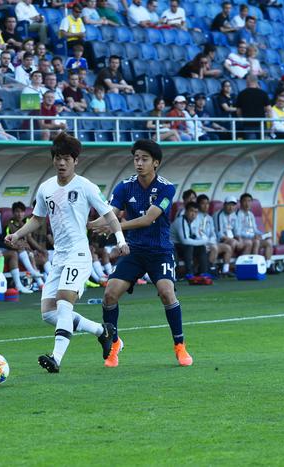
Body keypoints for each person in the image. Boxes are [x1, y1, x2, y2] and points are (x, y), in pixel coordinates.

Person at [5, 132, 129, 373]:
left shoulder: (85, 186)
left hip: (79, 254)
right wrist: (18, 234)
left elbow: (109, 215)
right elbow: (37, 219)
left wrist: (120, 240)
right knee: (49, 314)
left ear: (75, 161)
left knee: (63, 302)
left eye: (67, 159)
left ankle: (56, 358)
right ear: (53, 160)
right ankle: (103, 331)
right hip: (59, 256)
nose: (62, 163)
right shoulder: (46, 188)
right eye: (58, 158)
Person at [89, 139, 194, 368]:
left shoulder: (167, 188)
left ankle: (180, 345)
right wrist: (88, 224)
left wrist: (115, 227)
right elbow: (110, 214)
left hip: (160, 251)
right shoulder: (124, 186)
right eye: (136, 158)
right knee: (109, 294)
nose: (139, 163)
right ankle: (114, 343)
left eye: (144, 159)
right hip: (133, 251)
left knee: (166, 292)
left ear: (155, 163)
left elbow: (148, 219)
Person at [197, 194, 232, 277]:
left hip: (210, 243)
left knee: (227, 247)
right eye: (203, 203)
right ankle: (208, 270)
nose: (206, 206)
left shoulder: (209, 218)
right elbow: (197, 233)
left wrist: (211, 241)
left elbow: (213, 233)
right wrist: (207, 242)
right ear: (198, 205)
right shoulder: (196, 216)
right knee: (214, 248)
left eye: (207, 203)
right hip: (200, 243)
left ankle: (225, 271)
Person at [172, 201, 208, 279]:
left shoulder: (195, 221)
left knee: (201, 248)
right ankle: (189, 273)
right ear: (186, 211)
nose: (193, 214)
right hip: (173, 246)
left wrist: (202, 242)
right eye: (191, 211)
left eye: (196, 212)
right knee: (189, 246)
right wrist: (202, 241)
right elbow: (185, 240)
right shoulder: (180, 221)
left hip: (183, 246)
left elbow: (199, 236)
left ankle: (203, 273)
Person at [236, 193, 273, 267]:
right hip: (244, 239)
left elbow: (255, 229)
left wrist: (262, 234)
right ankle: (254, 265)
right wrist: (253, 236)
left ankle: (267, 265)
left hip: (253, 237)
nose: (247, 203)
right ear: (240, 203)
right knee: (256, 242)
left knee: (269, 241)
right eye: (245, 201)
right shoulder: (238, 214)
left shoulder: (251, 214)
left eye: (249, 201)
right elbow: (238, 232)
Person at [236, 74, 271, 139]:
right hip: (261, 124)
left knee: (251, 145)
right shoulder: (263, 93)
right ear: (257, 82)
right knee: (262, 145)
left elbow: (238, 111)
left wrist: (242, 120)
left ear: (247, 81)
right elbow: (269, 110)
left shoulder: (241, 94)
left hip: (248, 124)